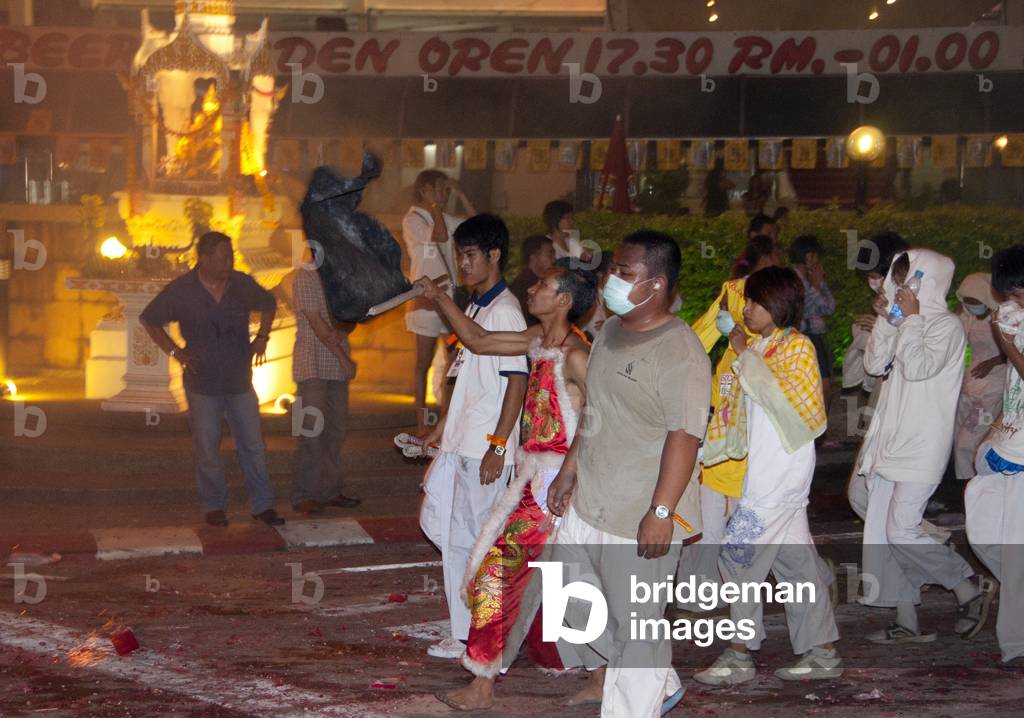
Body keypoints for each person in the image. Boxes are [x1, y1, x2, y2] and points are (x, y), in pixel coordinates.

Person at [419, 259, 595, 711]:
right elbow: (476, 341)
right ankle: (601, 671)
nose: (531, 289)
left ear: (564, 300)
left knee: (497, 571)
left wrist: (571, 473)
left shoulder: (577, 354)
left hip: (555, 484)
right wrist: (439, 298)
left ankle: (483, 683)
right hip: (536, 479)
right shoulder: (538, 342)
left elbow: (600, 418)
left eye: (543, 285)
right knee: (565, 579)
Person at [547, 231, 710, 718]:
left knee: (639, 624)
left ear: (656, 284)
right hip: (592, 497)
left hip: (641, 509)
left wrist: (661, 511)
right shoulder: (612, 332)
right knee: (569, 598)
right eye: (613, 268)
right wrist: (569, 469)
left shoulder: (680, 352)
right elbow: (597, 409)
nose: (610, 280)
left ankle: (636, 701)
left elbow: (685, 436)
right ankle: (658, 678)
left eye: (625, 272)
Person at [695, 267, 841, 685]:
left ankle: (740, 655)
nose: (748, 310)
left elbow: (790, 408)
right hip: (767, 478)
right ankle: (822, 653)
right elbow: (737, 413)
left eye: (755, 303)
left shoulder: (796, 347)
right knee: (797, 568)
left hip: (777, 480)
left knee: (736, 558)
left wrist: (744, 352)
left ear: (777, 304)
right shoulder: (764, 346)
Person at [856, 248, 994, 644]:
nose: (898, 288)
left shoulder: (947, 327)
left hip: (922, 446)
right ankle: (907, 621)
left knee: (901, 530)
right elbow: (873, 365)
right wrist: (888, 321)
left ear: (926, 282)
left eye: (906, 279)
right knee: (882, 535)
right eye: (896, 280)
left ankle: (966, 585)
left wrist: (910, 320)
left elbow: (916, 368)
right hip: (888, 442)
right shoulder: (904, 320)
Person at [418, 214, 529, 659]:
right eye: (459, 255)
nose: (462, 264)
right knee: (443, 526)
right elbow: (465, 373)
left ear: (493, 255)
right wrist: (441, 429)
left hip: (483, 448)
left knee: (474, 542)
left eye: (470, 255)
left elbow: (516, 383)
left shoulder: (504, 310)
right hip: (460, 444)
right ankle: (467, 629)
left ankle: (479, 635)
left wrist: (498, 445)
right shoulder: (477, 306)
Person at [140, 231, 284, 527]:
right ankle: (213, 505)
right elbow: (150, 319)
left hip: (239, 379)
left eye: (230, 255)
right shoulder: (183, 290)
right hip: (202, 383)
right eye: (222, 256)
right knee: (207, 447)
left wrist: (263, 337)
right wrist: (176, 352)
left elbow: (269, 303)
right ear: (203, 259)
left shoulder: (240, 284)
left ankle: (262, 505)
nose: (228, 262)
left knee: (253, 445)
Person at [676, 234, 778, 611]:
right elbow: (699, 339)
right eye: (745, 299)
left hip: (750, 449)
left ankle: (754, 605)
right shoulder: (730, 348)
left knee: (750, 529)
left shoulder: (778, 347)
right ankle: (700, 592)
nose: (745, 305)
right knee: (710, 520)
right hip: (721, 442)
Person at [966, 245, 1024, 671]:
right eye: (1010, 294)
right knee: (981, 530)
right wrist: (996, 426)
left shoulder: (1012, 331)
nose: (1015, 301)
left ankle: (1016, 644)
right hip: (1006, 445)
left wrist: (1008, 347)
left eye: (1020, 293)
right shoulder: (1014, 317)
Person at [402, 169, 477, 434]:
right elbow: (440, 236)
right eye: (440, 189)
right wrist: (434, 206)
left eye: (446, 189)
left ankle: (446, 419)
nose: (444, 194)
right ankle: (422, 422)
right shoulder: (412, 219)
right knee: (423, 362)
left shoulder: (442, 216)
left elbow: (476, 225)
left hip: (447, 298)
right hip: (424, 300)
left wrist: (461, 194)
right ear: (425, 190)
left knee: (453, 358)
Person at [289, 258, 360, 515]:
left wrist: (344, 329)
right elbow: (318, 325)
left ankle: (329, 490)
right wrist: (344, 358)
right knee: (311, 431)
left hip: (335, 364)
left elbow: (351, 316)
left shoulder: (339, 273)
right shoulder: (305, 276)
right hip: (312, 365)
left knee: (336, 430)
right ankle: (304, 494)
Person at [951, 273, 1004, 482]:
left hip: (994, 386)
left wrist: (995, 360)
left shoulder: (1004, 317)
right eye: (967, 302)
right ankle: (966, 491)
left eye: (975, 302)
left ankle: (974, 489)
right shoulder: (968, 316)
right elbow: (955, 340)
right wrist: (956, 318)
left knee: (967, 442)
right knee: (957, 440)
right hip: (970, 384)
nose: (971, 305)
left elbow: (1018, 350)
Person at [789, 235, 837, 446]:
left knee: (826, 385)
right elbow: (807, 307)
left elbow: (830, 307)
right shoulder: (796, 277)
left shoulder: (812, 276)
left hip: (816, 335)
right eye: (812, 253)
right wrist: (816, 285)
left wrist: (817, 284)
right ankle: (815, 433)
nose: (816, 258)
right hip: (804, 335)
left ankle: (819, 432)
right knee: (820, 385)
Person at [509, 234, 555, 325]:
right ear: (534, 257)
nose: (554, 258)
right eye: (550, 254)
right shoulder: (523, 287)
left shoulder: (531, 281)